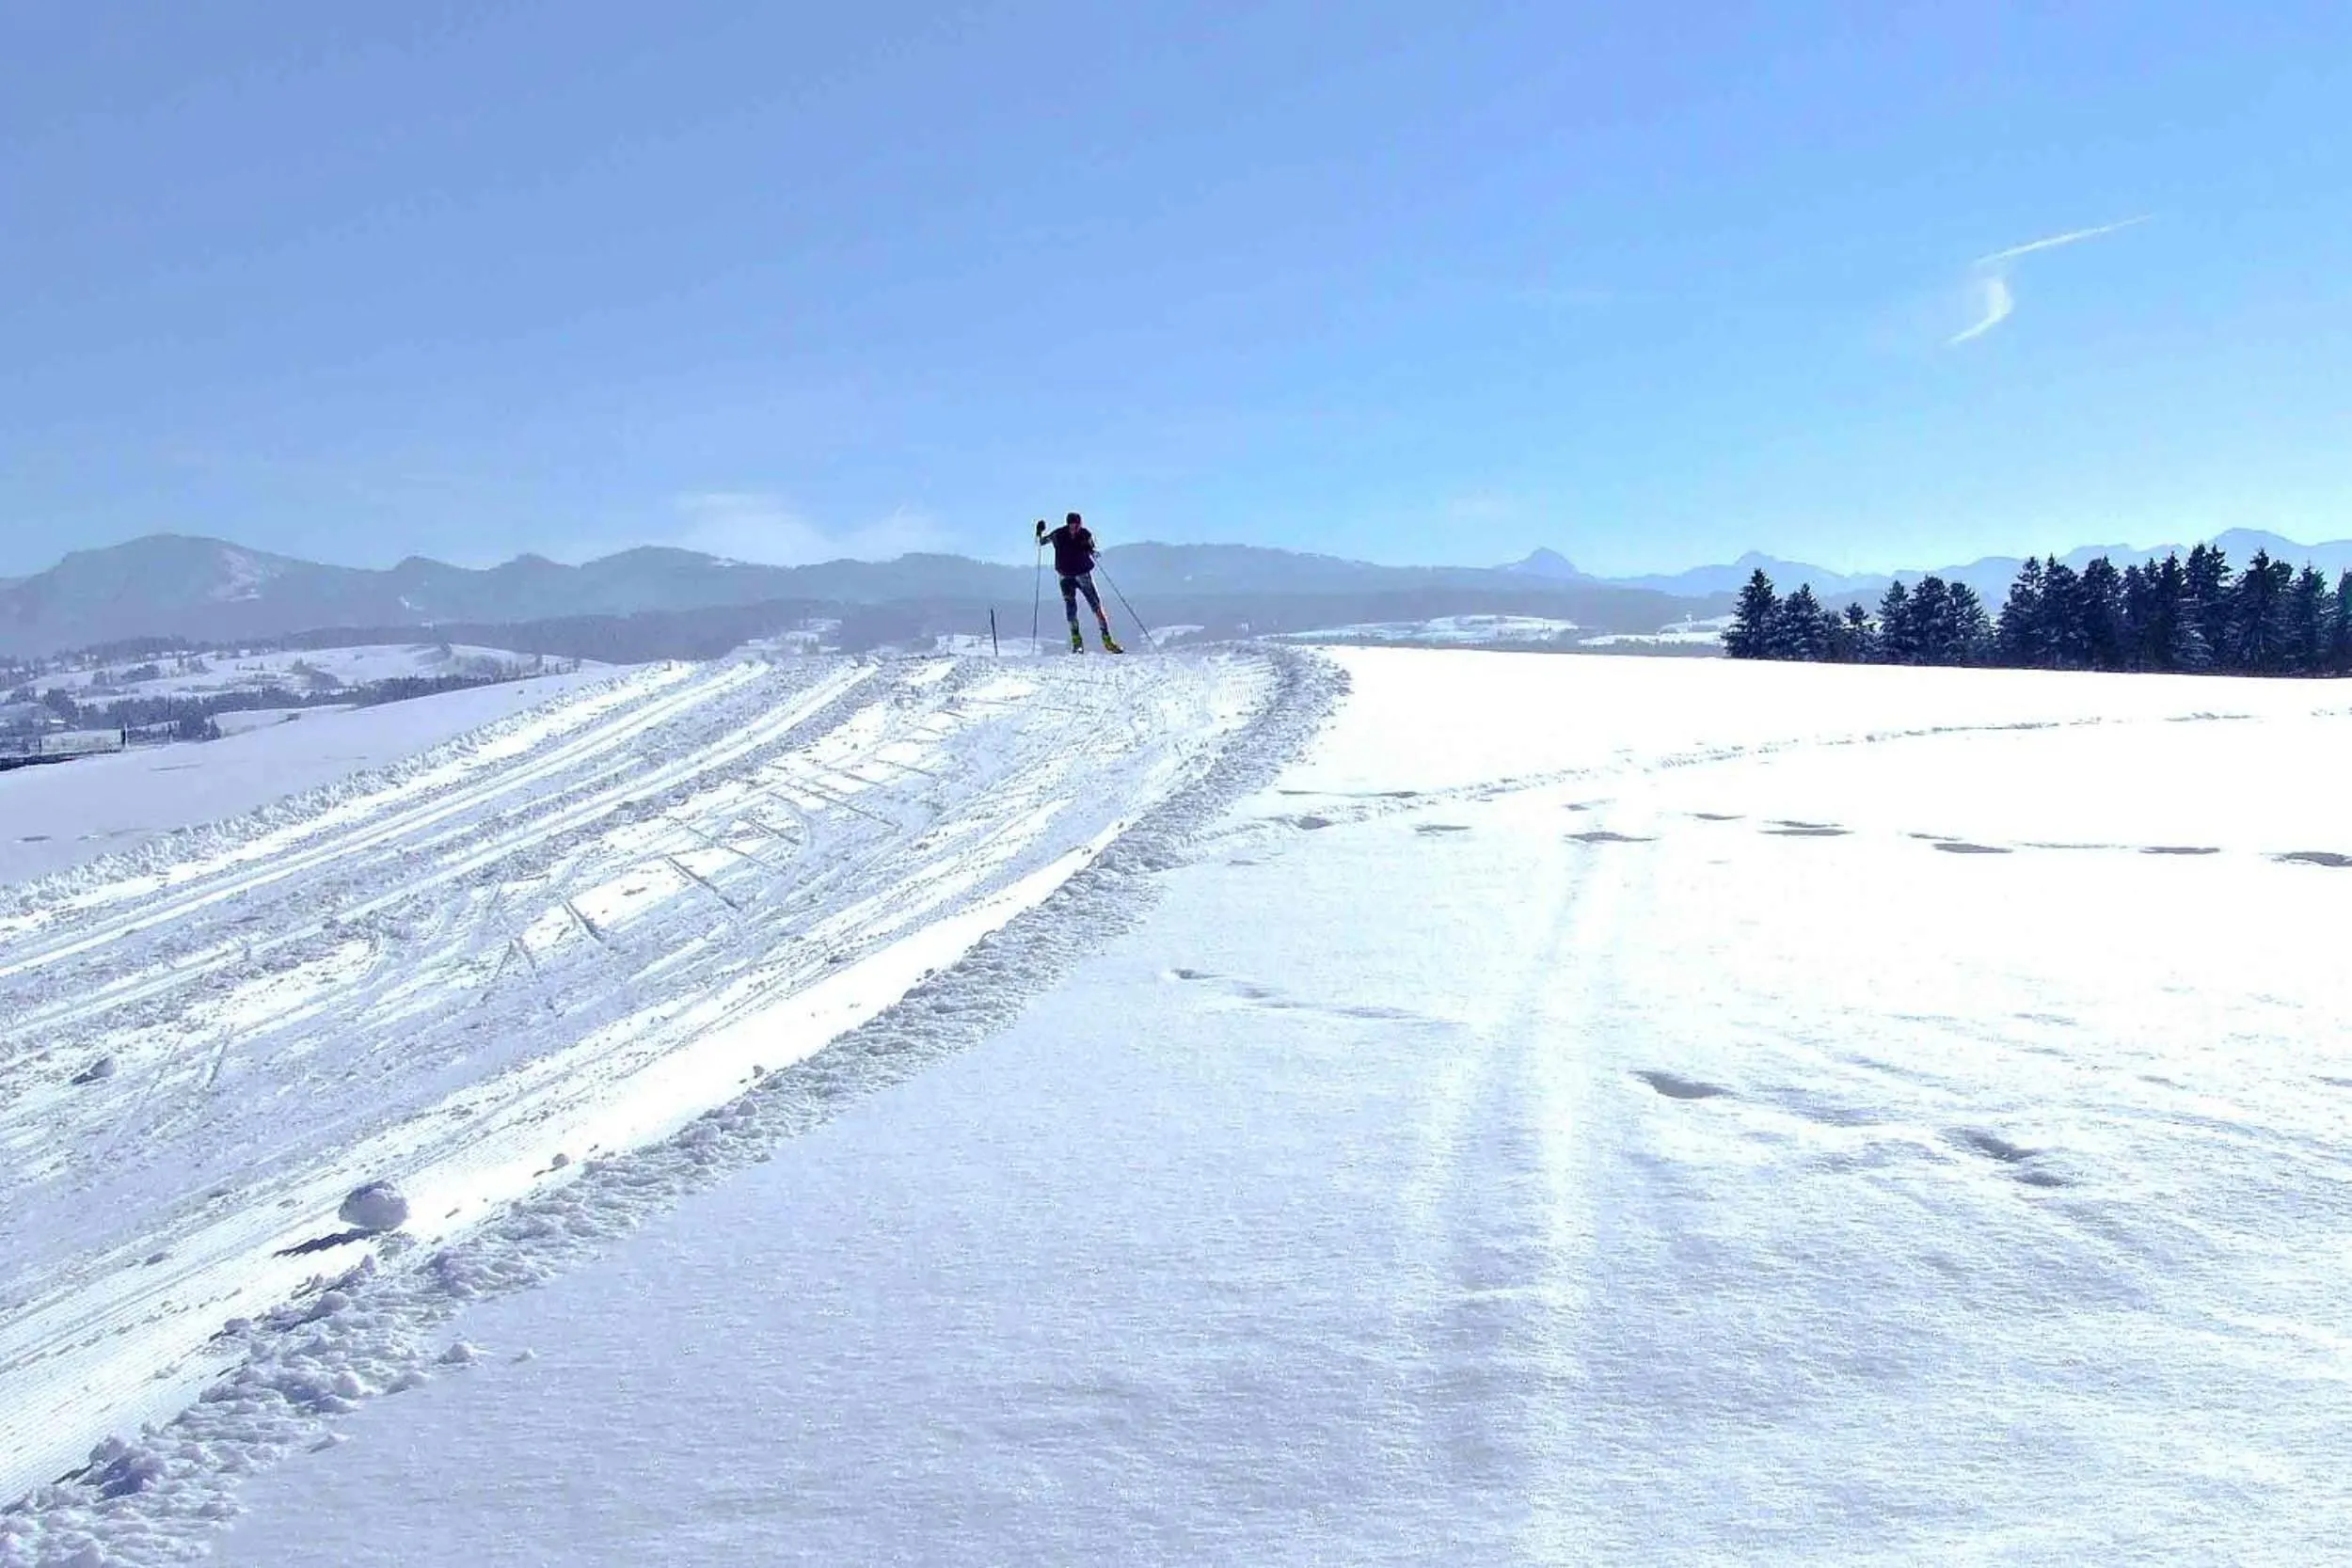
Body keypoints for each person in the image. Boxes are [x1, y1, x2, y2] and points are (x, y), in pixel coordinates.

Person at [1035, 512, 1122, 653]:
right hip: (1066, 576)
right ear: (1068, 524)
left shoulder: (1084, 534)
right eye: (1072, 525)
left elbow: (1091, 547)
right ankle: (1077, 642)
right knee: (1071, 610)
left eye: (1077, 525)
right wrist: (1039, 532)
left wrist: (1091, 550)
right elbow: (1042, 542)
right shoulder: (1058, 534)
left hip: (1081, 574)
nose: (1074, 528)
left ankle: (1107, 640)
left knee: (1096, 607)